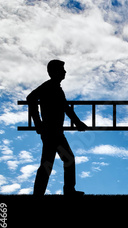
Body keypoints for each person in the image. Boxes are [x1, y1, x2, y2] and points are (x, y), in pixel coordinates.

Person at [27, 60, 88, 196]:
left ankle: (67, 190)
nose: (65, 72)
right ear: (54, 72)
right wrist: (38, 123)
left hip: (56, 131)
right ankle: (41, 193)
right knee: (51, 163)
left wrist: (77, 122)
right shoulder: (48, 86)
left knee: (64, 160)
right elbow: (30, 98)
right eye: (62, 69)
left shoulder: (57, 88)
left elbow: (66, 108)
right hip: (51, 131)